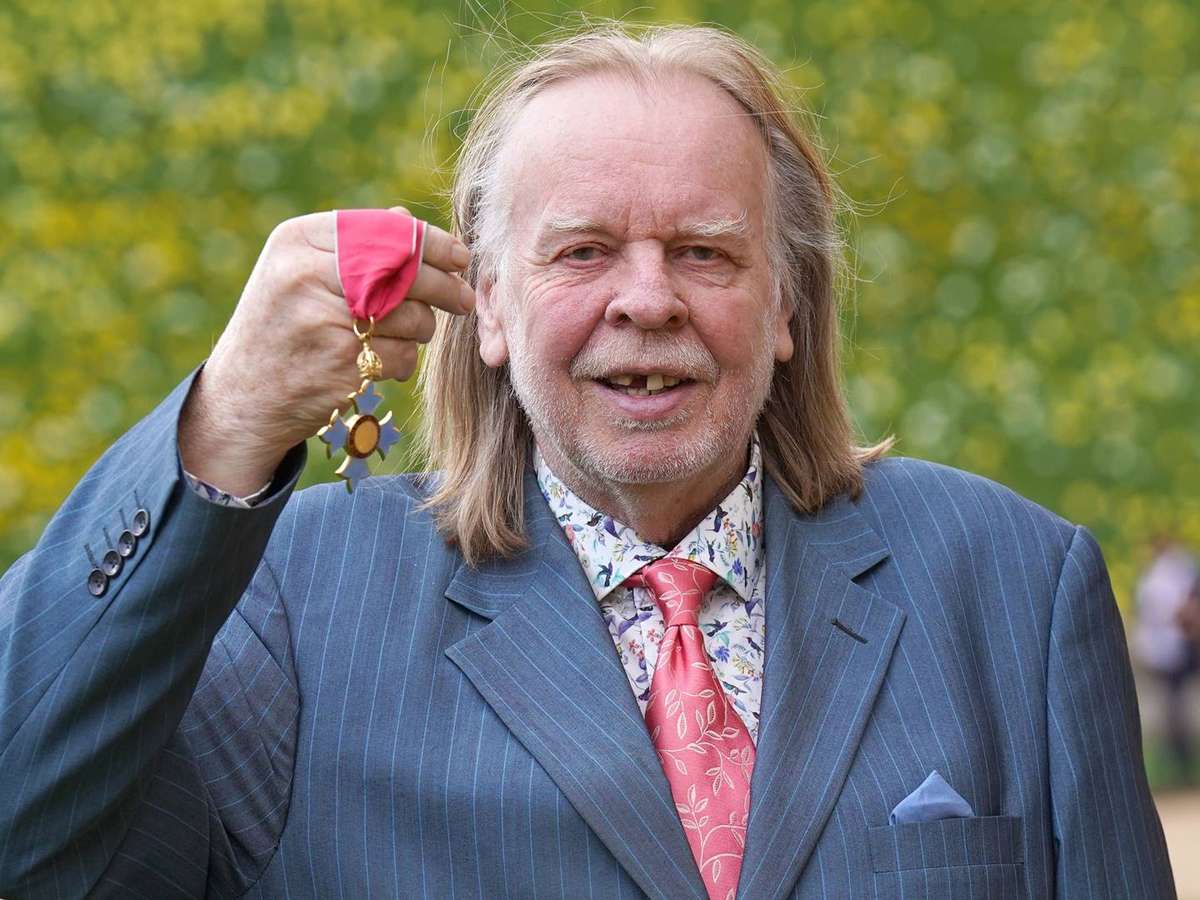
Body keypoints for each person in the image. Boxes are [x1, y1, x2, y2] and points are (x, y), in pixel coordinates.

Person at [0, 23, 1175, 900]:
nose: (647, 299)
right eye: (583, 251)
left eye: (705, 251)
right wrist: (221, 426)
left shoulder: (1016, 583)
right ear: (490, 307)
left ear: (786, 304)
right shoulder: (293, 604)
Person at [1134, 537, 1200, 785]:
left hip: (1172, 651)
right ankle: (1178, 758)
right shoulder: (1163, 576)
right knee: (1173, 708)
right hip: (1167, 651)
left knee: (1175, 707)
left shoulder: (1164, 574)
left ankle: (1180, 758)